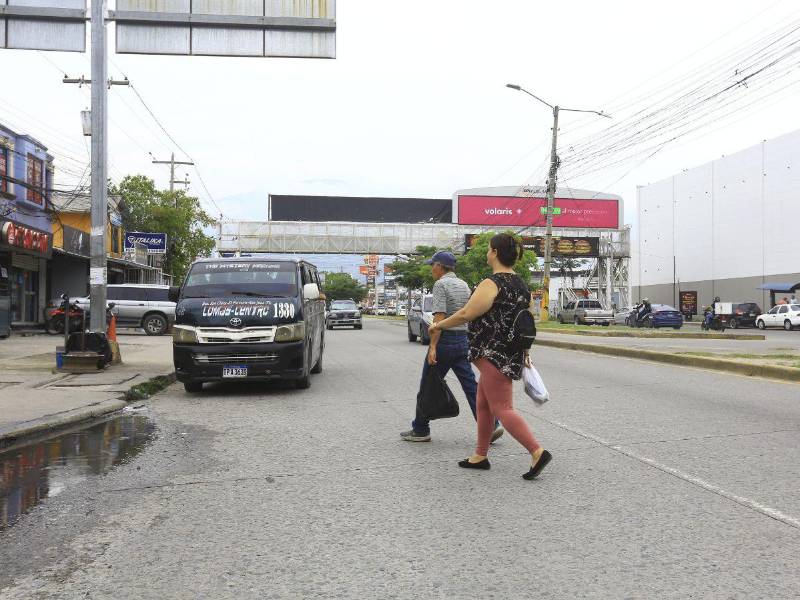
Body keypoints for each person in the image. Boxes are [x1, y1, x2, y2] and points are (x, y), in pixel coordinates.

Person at [428, 234, 551, 480]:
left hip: (493, 353)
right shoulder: (521, 285)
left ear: (494, 252)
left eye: (488, 249)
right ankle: (480, 455)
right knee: (483, 404)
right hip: (507, 352)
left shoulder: (492, 283)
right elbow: (525, 323)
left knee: (503, 408)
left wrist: (438, 326)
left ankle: (537, 451)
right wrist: (525, 352)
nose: (487, 253)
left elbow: (466, 313)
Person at [400, 251, 503, 443]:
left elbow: (439, 318)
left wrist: (433, 346)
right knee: (470, 385)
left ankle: (421, 429)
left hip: (445, 340)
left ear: (440, 266)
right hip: (463, 339)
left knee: (427, 385)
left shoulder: (440, 285)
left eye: (433, 265)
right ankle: (492, 425)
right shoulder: (463, 284)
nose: (431, 269)